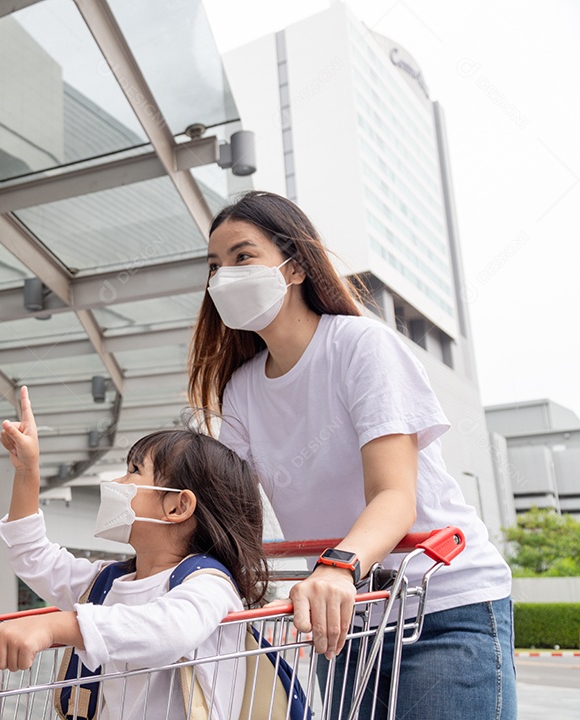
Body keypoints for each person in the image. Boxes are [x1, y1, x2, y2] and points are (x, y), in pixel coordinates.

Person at [188, 190, 516, 719]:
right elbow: (229, 514)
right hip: (346, 621)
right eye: (214, 266)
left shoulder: (360, 346)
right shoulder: (242, 390)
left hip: (440, 605)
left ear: (294, 267)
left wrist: (338, 567)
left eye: (242, 257)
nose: (223, 276)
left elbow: (394, 496)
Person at [0, 386, 269, 720]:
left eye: (133, 470)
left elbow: (168, 631)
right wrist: (27, 472)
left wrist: (53, 626)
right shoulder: (107, 583)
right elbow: (32, 556)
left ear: (177, 506)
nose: (118, 482)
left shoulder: (210, 584)